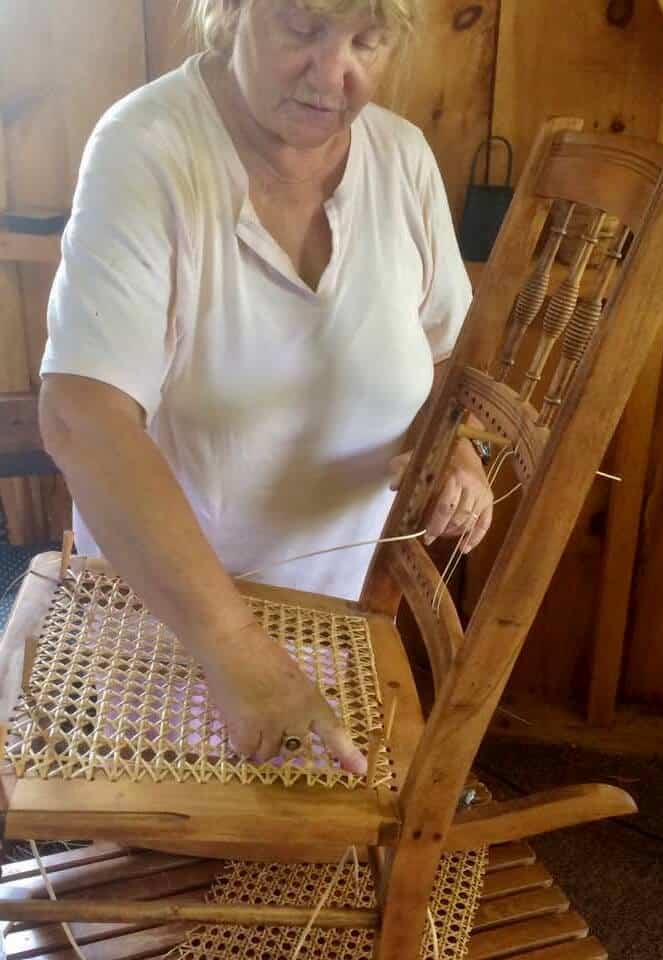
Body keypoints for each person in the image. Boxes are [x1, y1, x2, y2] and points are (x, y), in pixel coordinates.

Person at [38, 0, 493, 773]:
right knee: (173, 834)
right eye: (302, 28)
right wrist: (235, 646)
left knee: (307, 820)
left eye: (367, 42)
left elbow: (445, 356)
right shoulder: (146, 148)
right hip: (165, 633)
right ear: (230, 12)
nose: (333, 73)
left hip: (335, 620)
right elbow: (84, 416)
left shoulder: (403, 158)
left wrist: (453, 448)